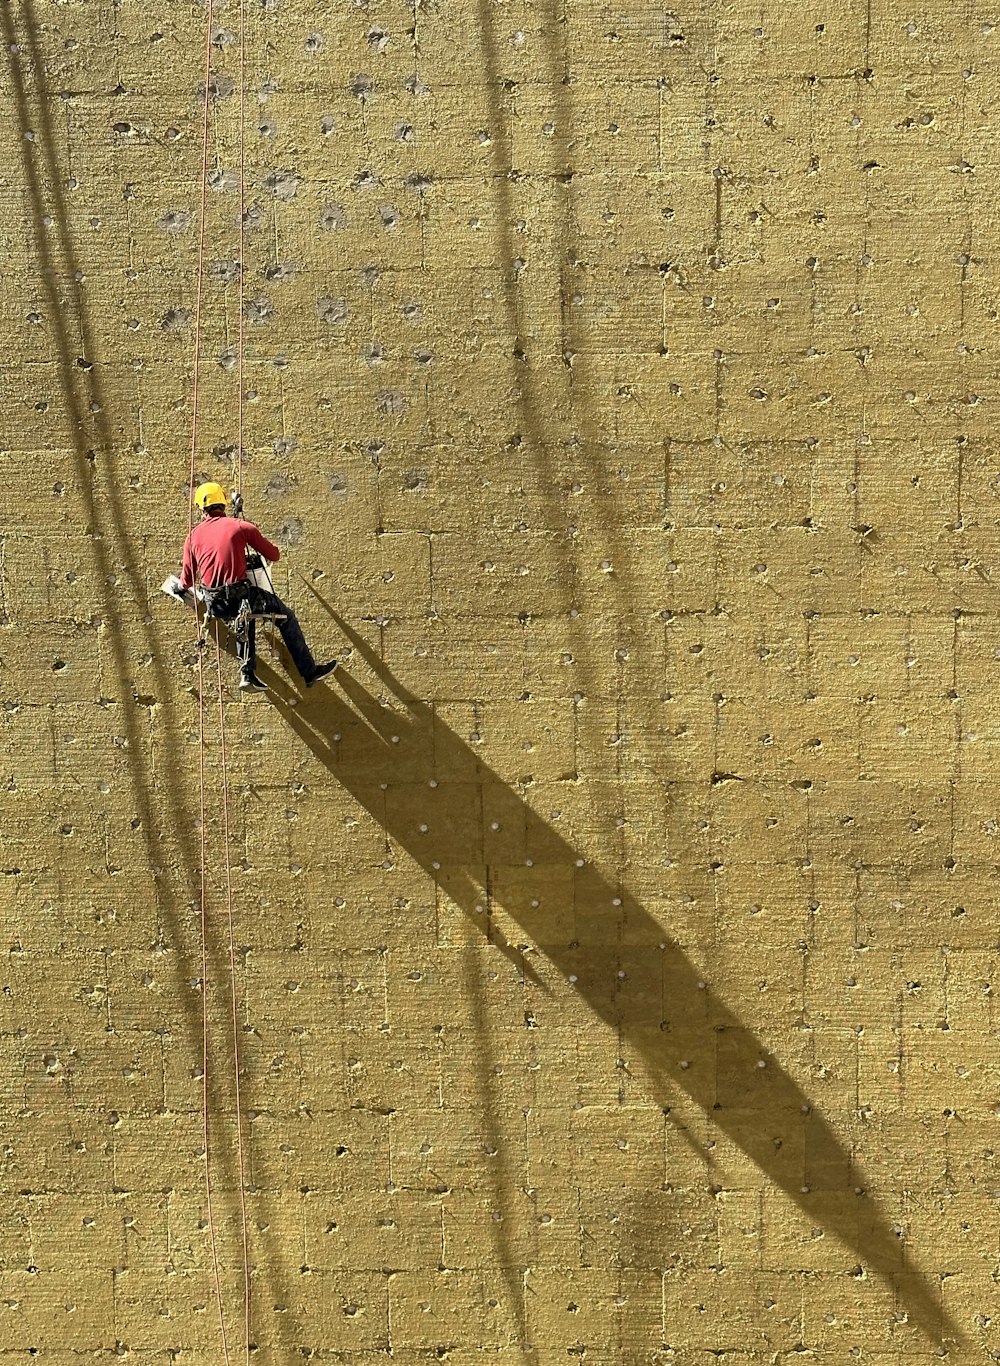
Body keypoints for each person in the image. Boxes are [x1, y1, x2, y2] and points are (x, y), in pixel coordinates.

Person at [179, 482, 336, 692]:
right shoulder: (241, 526)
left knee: (245, 615)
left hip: (215, 605)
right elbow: (274, 555)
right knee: (284, 616)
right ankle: (309, 672)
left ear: (201, 508)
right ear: (223, 505)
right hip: (240, 596)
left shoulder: (192, 537)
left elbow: (186, 582)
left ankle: (247, 674)